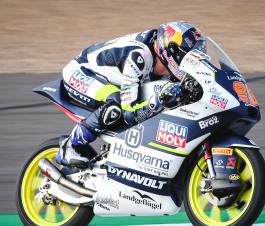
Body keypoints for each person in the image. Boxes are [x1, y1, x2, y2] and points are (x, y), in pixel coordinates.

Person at [57, 21, 207, 167]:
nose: (191, 62)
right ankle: (70, 145)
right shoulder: (140, 57)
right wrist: (160, 101)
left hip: (111, 79)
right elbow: (130, 113)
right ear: (172, 50)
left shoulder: (162, 57)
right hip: (81, 72)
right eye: (188, 56)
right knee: (116, 105)